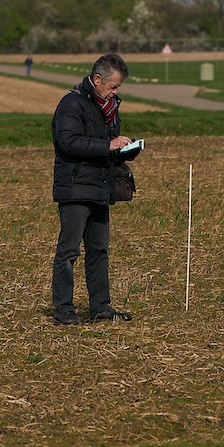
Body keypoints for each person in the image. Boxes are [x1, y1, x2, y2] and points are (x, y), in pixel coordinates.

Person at [50, 53, 137, 325]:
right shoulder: (71, 104)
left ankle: (101, 307)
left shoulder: (109, 108)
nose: (115, 92)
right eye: (113, 86)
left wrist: (124, 150)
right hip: (75, 189)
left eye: (118, 88)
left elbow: (105, 147)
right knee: (69, 252)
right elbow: (68, 142)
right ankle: (64, 311)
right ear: (97, 79)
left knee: (99, 251)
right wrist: (108, 145)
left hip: (100, 187)